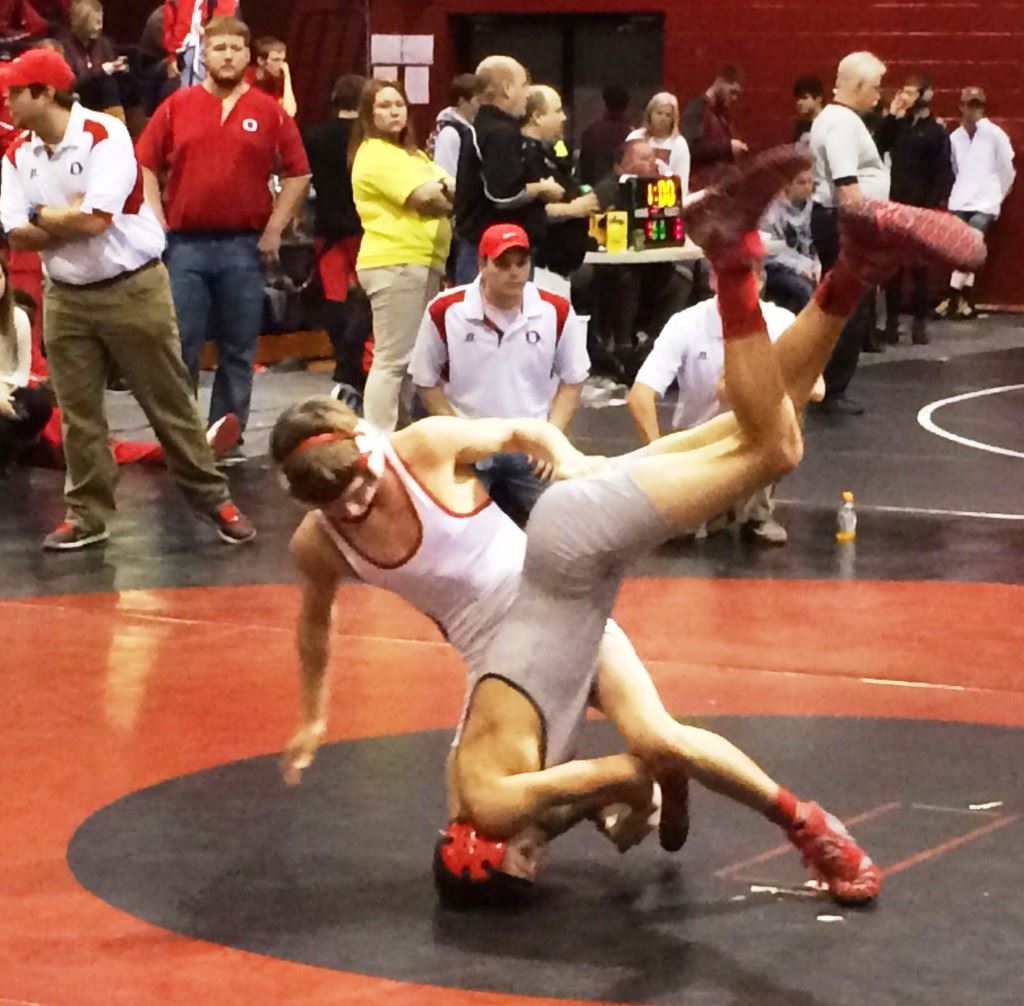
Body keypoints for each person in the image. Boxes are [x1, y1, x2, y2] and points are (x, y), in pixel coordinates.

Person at [272, 152, 982, 909]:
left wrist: (653, 808)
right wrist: (313, 713)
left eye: (524, 865)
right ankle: (855, 268)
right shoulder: (488, 790)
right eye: (334, 505)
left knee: (769, 446)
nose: (352, 509)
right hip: (564, 606)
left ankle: (734, 257)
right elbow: (315, 627)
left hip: (565, 556)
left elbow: (623, 777)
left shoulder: (492, 802)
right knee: (774, 434)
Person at [0, 47, 256, 549]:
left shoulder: (104, 134)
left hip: (131, 286)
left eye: (12, 93)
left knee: (167, 401)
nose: (5, 102)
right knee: (78, 411)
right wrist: (61, 216)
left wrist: (42, 216)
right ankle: (86, 515)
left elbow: (96, 220)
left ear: (45, 93)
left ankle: (213, 499)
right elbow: (12, 231)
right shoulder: (16, 153)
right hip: (67, 295)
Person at [137, 15, 311, 451]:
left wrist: (275, 228)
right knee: (181, 348)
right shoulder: (177, 106)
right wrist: (155, 219)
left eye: (236, 48)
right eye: (219, 48)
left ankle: (224, 438)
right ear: (205, 53)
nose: (228, 55)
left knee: (238, 348)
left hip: (242, 245)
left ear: (248, 56)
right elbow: (142, 164)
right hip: (185, 246)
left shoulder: (268, 110)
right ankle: (179, 438)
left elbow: (298, 173)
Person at [411, 222, 589, 526]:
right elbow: (425, 381)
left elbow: (573, 378)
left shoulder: (556, 310)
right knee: (450, 527)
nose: (515, 272)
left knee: (568, 525)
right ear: (481, 264)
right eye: (503, 264)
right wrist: (457, 434)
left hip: (531, 442)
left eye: (522, 263)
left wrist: (552, 439)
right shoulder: (444, 310)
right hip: (469, 443)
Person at [627, 270, 795, 545]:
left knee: (791, 410)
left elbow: (816, 387)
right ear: (713, 281)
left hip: (753, 439)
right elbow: (639, 396)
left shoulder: (781, 322)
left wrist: (759, 385)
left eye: (745, 279)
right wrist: (659, 456)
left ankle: (756, 511)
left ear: (761, 282)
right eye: (727, 278)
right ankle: (713, 506)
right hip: (699, 443)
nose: (736, 288)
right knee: (684, 528)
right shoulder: (686, 323)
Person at [350, 77, 453, 433]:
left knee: (408, 359)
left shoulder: (412, 154)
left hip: (422, 260)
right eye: (383, 106)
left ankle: (401, 430)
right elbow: (427, 196)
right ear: (368, 113)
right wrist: (443, 193)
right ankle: (378, 437)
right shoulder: (374, 154)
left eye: (398, 104)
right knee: (392, 359)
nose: (393, 111)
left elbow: (449, 188)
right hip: (394, 260)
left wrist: (443, 192)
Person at [809, 51, 890, 416]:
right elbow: (846, 185)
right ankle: (831, 388)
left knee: (845, 303)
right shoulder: (842, 124)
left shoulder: (836, 118)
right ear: (857, 86)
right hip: (844, 222)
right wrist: (864, 231)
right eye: (875, 87)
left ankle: (828, 385)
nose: (878, 95)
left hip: (836, 220)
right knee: (849, 306)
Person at [452, 55, 564, 285]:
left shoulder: (483, 127)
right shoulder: (500, 133)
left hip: (486, 251)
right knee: (489, 320)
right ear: (508, 88)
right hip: (493, 256)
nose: (527, 93)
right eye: (524, 85)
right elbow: (504, 193)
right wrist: (542, 188)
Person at [590, 138, 691, 380]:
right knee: (627, 277)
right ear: (620, 165)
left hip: (654, 267)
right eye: (643, 158)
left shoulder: (658, 189)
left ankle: (657, 344)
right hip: (612, 269)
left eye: (653, 158)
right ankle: (623, 348)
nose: (652, 164)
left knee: (682, 279)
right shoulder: (607, 190)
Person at [303, 73, 368, 396]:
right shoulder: (367, 139)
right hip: (364, 225)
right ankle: (355, 361)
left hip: (327, 226)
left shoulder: (315, 136)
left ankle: (342, 356)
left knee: (334, 294)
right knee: (368, 296)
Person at [880, 75, 953, 344]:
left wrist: (933, 207)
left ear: (926, 95)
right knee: (893, 268)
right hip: (897, 203)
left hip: (922, 207)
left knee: (920, 268)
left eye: (912, 92)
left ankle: (919, 323)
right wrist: (892, 115)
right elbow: (879, 144)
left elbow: (943, 171)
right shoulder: (899, 127)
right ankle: (891, 322)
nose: (907, 97)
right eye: (905, 91)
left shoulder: (935, 131)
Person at [936, 86, 1016, 321]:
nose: (974, 110)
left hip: (985, 202)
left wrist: (997, 196)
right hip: (960, 200)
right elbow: (954, 168)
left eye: (978, 105)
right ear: (961, 107)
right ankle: (964, 299)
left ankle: (951, 295)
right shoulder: (955, 138)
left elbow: (1006, 168)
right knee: (960, 251)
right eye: (970, 105)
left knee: (970, 245)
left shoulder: (995, 134)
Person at [520, 84, 599, 297]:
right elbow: (530, 212)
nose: (564, 117)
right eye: (557, 111)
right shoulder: (525, 156)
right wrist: (574, 209)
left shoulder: (553, 151)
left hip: (563, 270)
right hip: (540, 268)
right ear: (537, 116)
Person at [0, 254, 52, 476]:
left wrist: (4, 389)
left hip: (8, 387)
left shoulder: (18, 318)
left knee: (39, 403)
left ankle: (13, 452)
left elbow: (23, 371)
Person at [56, 0, 138, 125]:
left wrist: (120, 67)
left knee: (130, 82)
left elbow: (112, 68)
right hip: (80, 95)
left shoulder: (104, 43)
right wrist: (103, 70)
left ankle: (137, 131)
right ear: (82, 22)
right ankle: (116, 125)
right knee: (107, 83)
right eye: (96, 22)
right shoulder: (64, 46)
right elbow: (72, 83)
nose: (100, 27)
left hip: (105, 96)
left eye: (101, 22)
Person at [761, 167, 820, 313]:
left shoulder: (817, 208)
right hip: (777, 267)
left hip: (811, 266)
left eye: (810, 182)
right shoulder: (770, 211)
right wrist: (801, 268)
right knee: (803, 289)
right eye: (801, 182)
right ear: (787, 184)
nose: (807, 187)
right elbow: (772, 251)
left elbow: (818, 244)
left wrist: (817, 267)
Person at [681, 65, 748, 189]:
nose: (734, 98)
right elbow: (689, 149)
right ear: (719, 82)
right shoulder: (697, 109)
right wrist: (728, 147)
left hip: (717, 187)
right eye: (732, 92)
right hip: (702, 188)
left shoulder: (721, 114)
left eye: (737, 94)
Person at [625, 91, 690, 193]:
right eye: (659, 113)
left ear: (673, 119)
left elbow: (682, 184)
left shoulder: (679, 144)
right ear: (650, 114)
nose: (663, 119)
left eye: (668, 115)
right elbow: (625, 173)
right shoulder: (635, 137)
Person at [162, 0, 238, 87]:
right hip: (183, 53)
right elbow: (169, 24)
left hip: (212, 50)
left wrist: (209, 35)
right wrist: (171, 56)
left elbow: (225, 23)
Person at [428, 73, 483, 181]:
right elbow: (446, 175)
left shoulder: (469, 129)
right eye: (478, 100)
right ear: (462, 101)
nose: (482, 105)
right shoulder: (450, 133)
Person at [578, 83, 632, 188]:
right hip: (626, 193)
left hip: (595, 191)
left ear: (604, 103)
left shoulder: (592, 132)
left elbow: (584, 169)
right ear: (627, 105)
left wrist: (585, 191)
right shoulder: (633, 134)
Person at [247, 36, 296, 116]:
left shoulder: (279, 80)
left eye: (283, 60)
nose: (281, 65)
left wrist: (287, 76)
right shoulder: (245, 76)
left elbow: (289, 113)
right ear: (261, 61)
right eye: (276, 60)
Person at [792, 76, 824, 146]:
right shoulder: (800, 126)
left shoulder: (830, 123)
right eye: (797, 99)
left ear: (819, 98)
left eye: (804, 98)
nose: (799, 102)